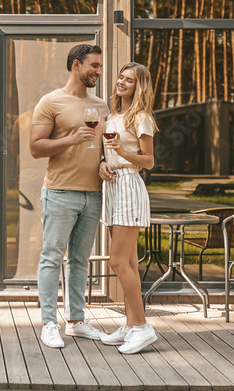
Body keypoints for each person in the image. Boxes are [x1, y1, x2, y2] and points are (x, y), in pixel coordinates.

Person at [30, 44, 109, 349]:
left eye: (100, 66)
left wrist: (103, 162)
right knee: (52, 257)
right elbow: (36, 148)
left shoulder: (101, 106)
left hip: (93, 194)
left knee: (79, 260)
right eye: (94, 66)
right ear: (77, 65)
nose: (98, 71)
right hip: (60, 192)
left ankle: (76, 321)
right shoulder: (50, 102)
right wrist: (71, 139)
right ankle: (49, 323)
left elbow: (102, 149)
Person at [98, 62, 158, 355]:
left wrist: (122, 152)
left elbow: (149, 161)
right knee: (130, 264)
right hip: (112, 187)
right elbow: (107, 154)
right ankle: (131, 324)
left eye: (129, 80)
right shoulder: (112, 116)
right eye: (121, 77)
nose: (121, 82)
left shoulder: (141, 117)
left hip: (129, 188)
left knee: (118, 262)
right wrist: (103, 164)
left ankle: (143, 328)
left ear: (139, 86)